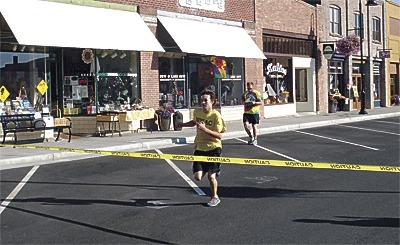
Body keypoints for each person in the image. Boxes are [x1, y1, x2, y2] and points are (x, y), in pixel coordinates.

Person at [179, 90, 226, 207]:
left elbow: (219, 135)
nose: (203, 102)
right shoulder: (197, 112)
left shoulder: (216, 116)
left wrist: (205, 129)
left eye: (206, 100)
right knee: (198, 177)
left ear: (212, 102)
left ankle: (215, 197)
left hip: (214, 148)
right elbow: (194, 122)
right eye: (202, 100)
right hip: (200, 147)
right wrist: (182, 125)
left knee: (211, 176)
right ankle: (214, 169)